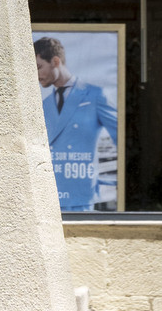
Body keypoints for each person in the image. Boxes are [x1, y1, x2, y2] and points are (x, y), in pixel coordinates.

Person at [34, 35, 119, 214]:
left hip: (82, 198)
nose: (36, 74)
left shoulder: (96, 95)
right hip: (49, 197)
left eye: (39, 67)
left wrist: (105, 188)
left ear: (55, 61)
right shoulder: (44, 104)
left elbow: (121, 141)